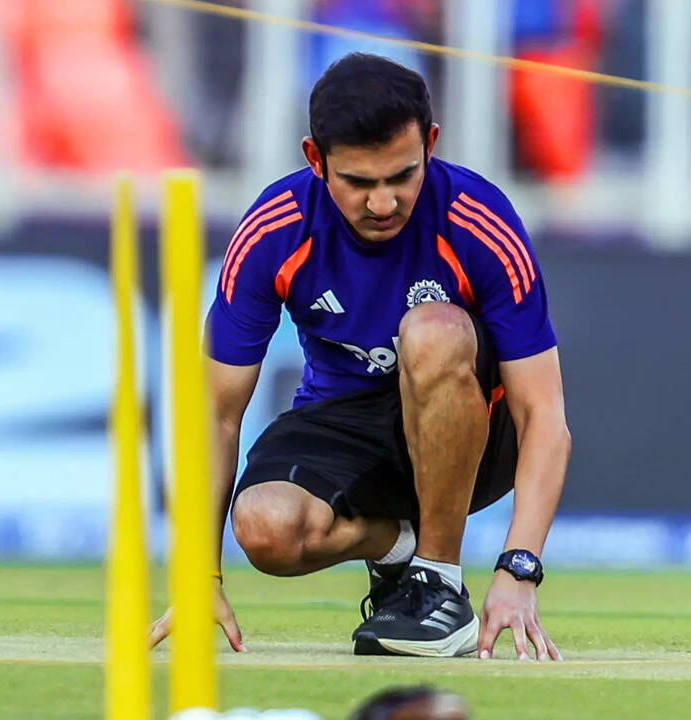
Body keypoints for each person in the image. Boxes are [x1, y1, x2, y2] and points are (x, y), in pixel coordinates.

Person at [150, 52, 570, 660]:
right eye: (358, 182)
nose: (382, 204)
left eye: (402, 176)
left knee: (432, 330)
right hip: (347, 422)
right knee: (265, 526)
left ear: (430, 144)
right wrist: (198, 574)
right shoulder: (273, 230)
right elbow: (214, 415)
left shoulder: (479, 220)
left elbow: (544, 416)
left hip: (478, 438)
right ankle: (398, 548)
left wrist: (519, 569)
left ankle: (438, 586)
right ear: (315, 159)